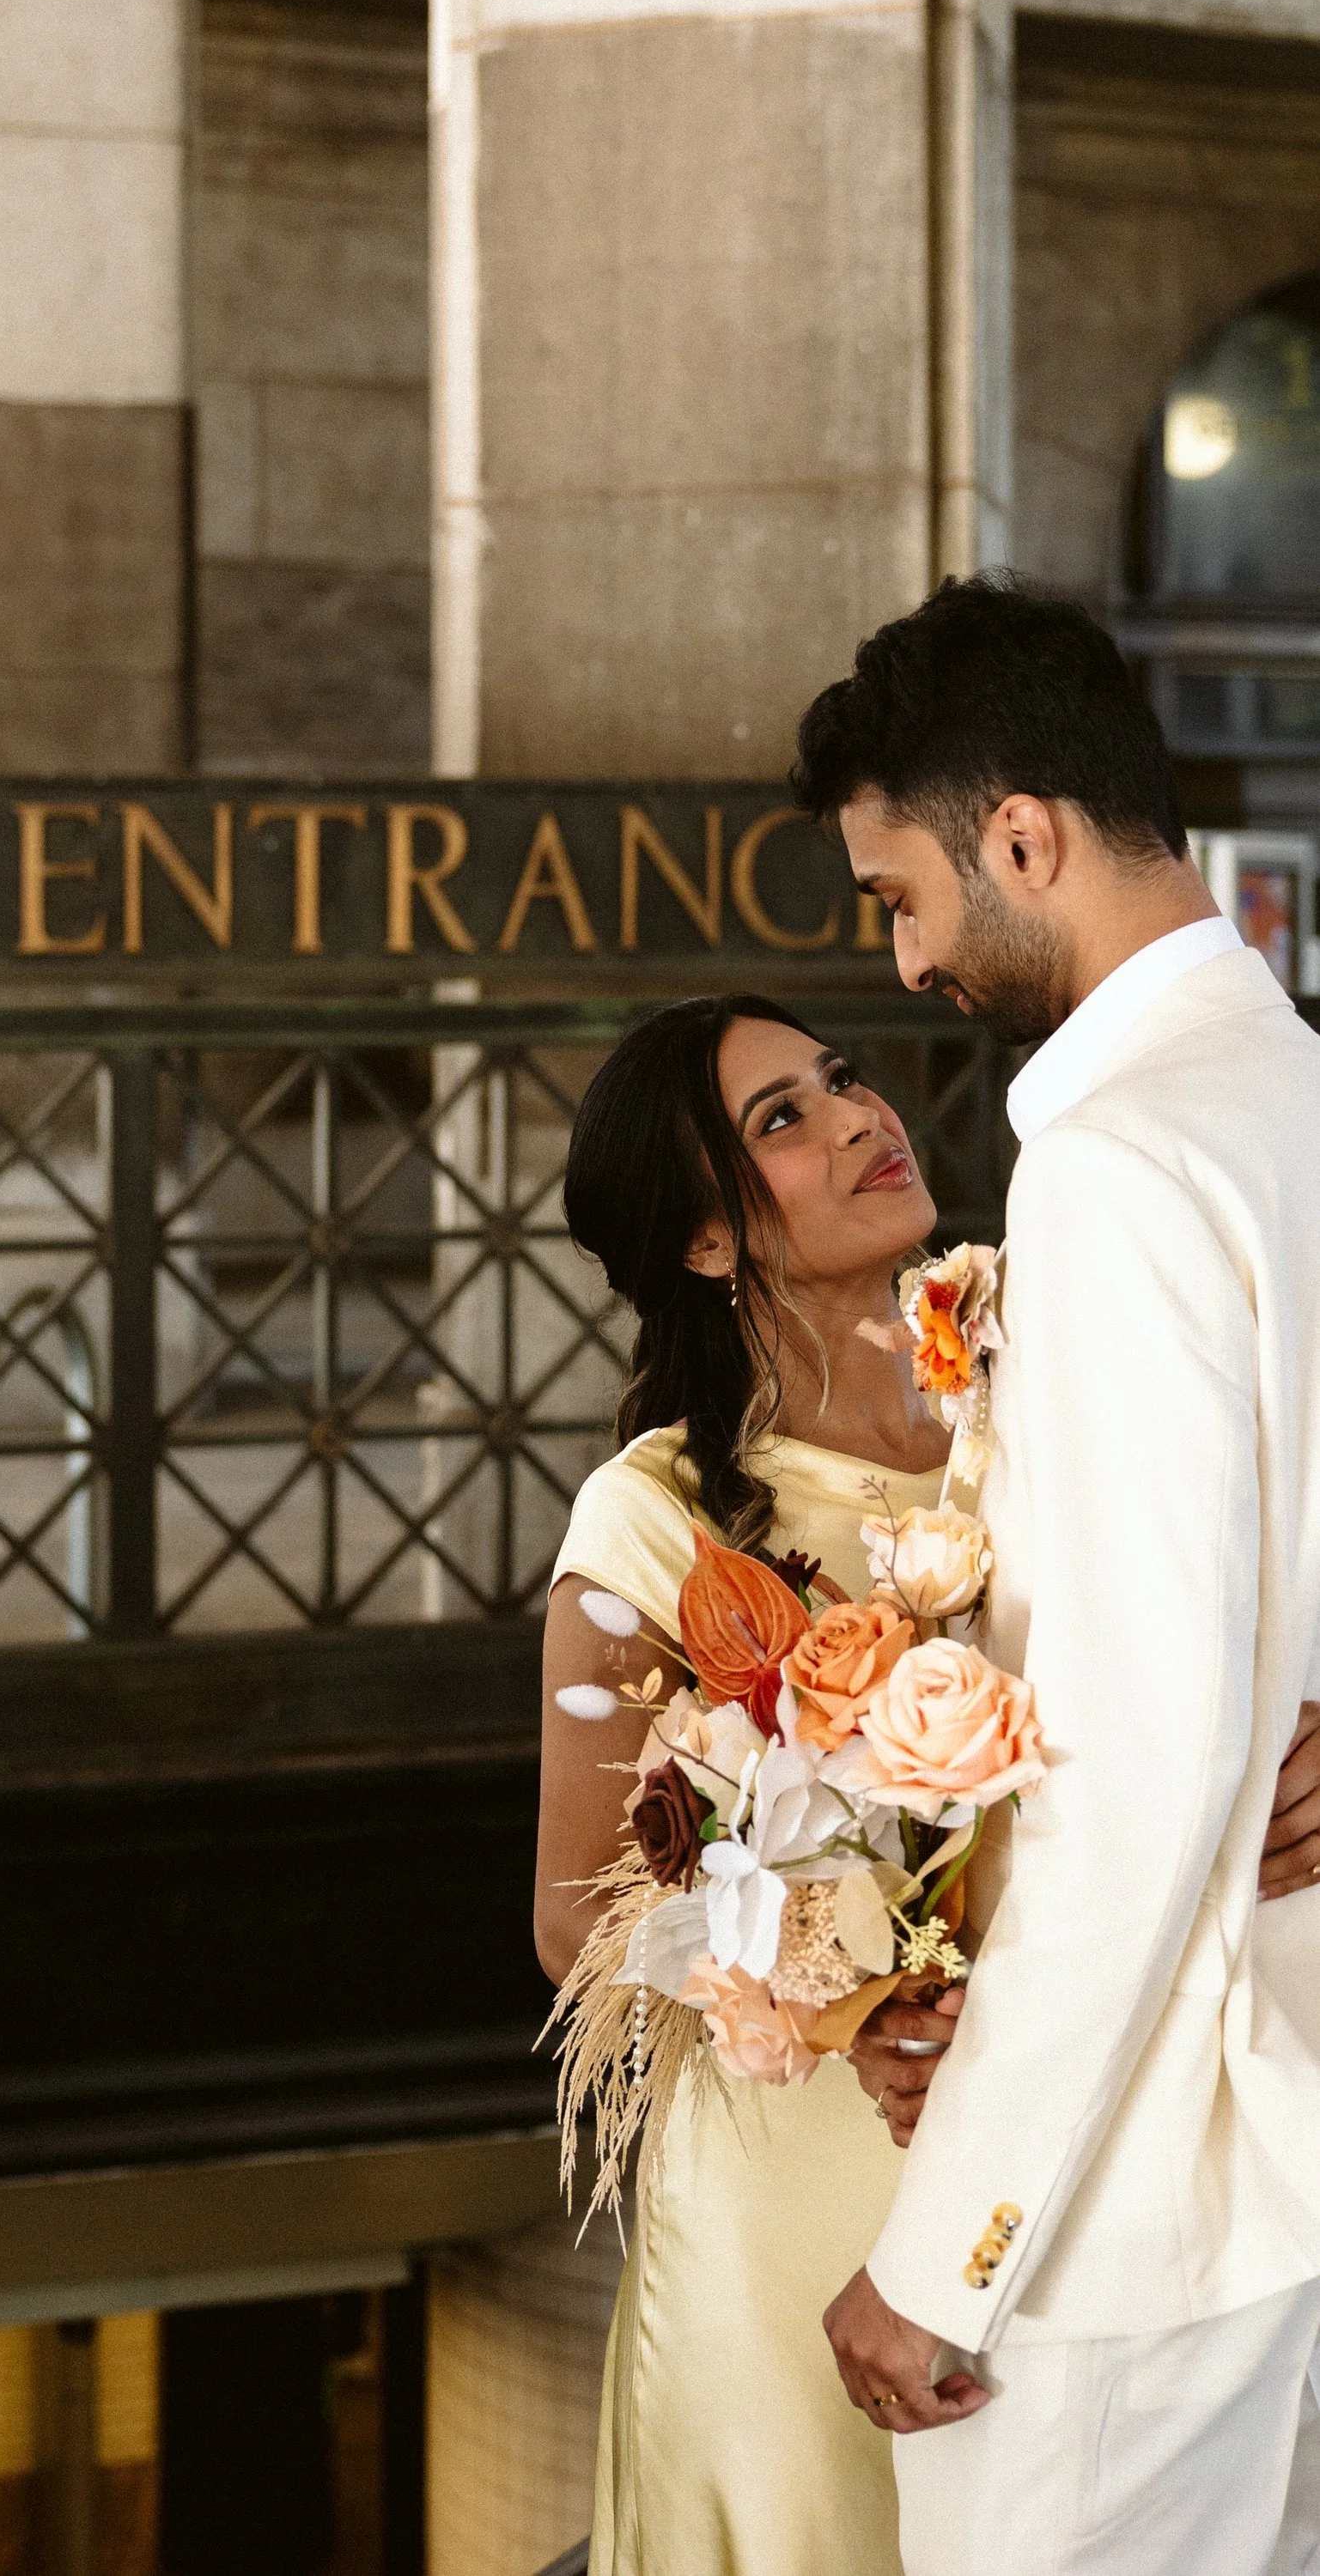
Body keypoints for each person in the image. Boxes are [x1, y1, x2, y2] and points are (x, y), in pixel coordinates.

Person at [797, 574, 1320, 2576]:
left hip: (1138, 2202)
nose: (908, 955)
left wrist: (953, 2248)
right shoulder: (1287, 1091)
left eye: (896, 893)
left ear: (1019, 835)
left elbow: (1137, 1753)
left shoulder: (1118, 1159)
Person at [539, 991, 968, 2575]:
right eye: (785, 1117)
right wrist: (868, 1986)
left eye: (843, 1079)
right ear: (710, 1241)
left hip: (1052, 2132)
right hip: (800, 2201)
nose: (863, 1115)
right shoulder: (649, 1524)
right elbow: (578, 1925)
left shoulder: (1033, 1407)